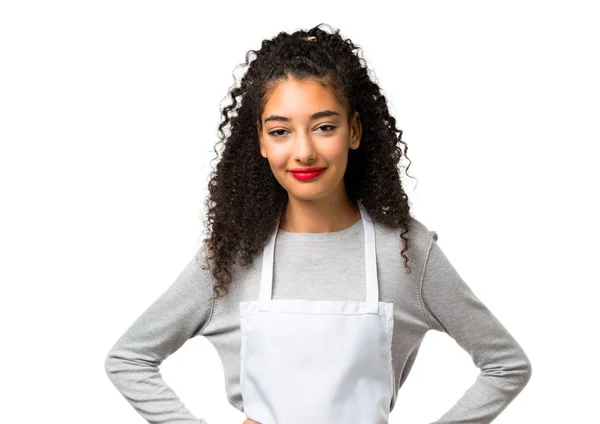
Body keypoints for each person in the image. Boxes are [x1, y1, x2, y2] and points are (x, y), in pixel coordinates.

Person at [104, 23, 532, 424]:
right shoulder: (232, 255)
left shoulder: (405, 251)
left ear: (355, 130)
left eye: (324, 126)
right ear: (260, 141)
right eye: (280, 131)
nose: (304, 152)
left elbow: (506, 365)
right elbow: (129, 359)